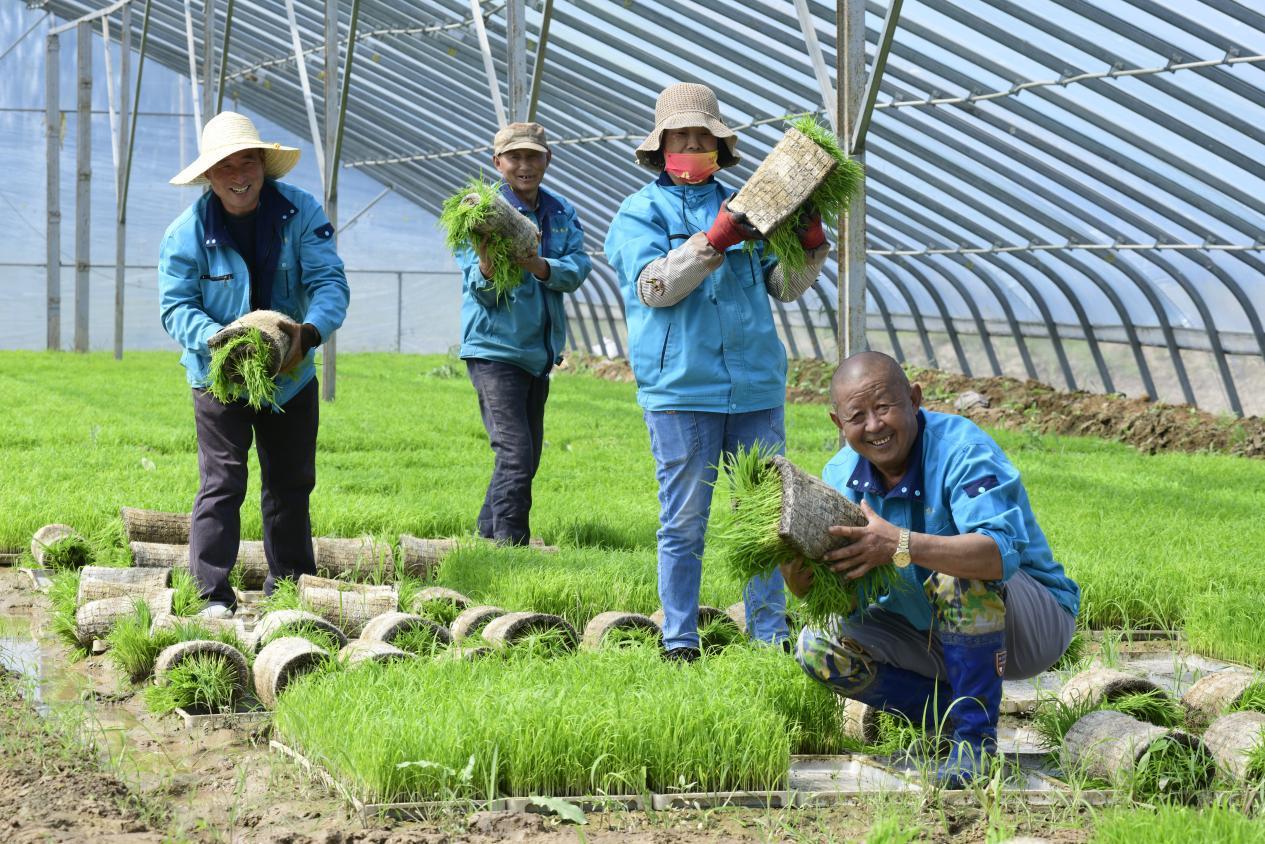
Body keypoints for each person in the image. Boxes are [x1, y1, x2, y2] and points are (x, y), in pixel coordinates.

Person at [604, 83, 832, 661]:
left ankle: (769, 634)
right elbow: (655, 287)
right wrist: (715, 239)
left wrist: (809, 244)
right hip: (682, 390)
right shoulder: (638, 212)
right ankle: (680, 639)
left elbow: (783, 288)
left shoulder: (753, 203)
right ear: (660, 148)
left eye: (703, 135)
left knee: (764, 518)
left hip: (755, 385)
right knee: (684, 521)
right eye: (681, 136)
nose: (692, 144)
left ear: (719, 145)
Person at [785, 351, 1080, 786]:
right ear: (837, 424)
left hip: (1030, 624)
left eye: (884, 407)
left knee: (957, 573)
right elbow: (852, 594)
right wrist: (804, 583)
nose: (874, 426)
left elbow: (996, 555)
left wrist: (899, 544)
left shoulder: (962, 448)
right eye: (857, 416)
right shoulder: (840, 477)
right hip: (929, 629)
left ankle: (975, 745)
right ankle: (954, 717)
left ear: (915, 398)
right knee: (818, 647)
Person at [158, 111, 349, 617]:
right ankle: (211, 596)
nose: (239, 174)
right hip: (217, 376)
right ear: (208, 175)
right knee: (222, 481)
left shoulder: (301, 212)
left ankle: (291, 590)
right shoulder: (187, 233)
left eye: (248, 161)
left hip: (290, 375)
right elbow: (176, 307)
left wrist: (307, 336)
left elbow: (330, 284)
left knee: (290, 482)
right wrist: (217, 340)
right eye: (225, 165)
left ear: (264, 165)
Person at [454, 122, 592, 545]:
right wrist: (488, 260)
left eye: (533, 156)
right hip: (495, 351)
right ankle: (512, 547)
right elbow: (478, 287)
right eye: (515, 157)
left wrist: (538, 265)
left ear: (547, 160)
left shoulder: (560, 212)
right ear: (498, 163)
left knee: (525, 457)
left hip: (539, 353)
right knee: (515, 454)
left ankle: (487, 534)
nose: (525, 165)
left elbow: (579, 268)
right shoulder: (479, 212)